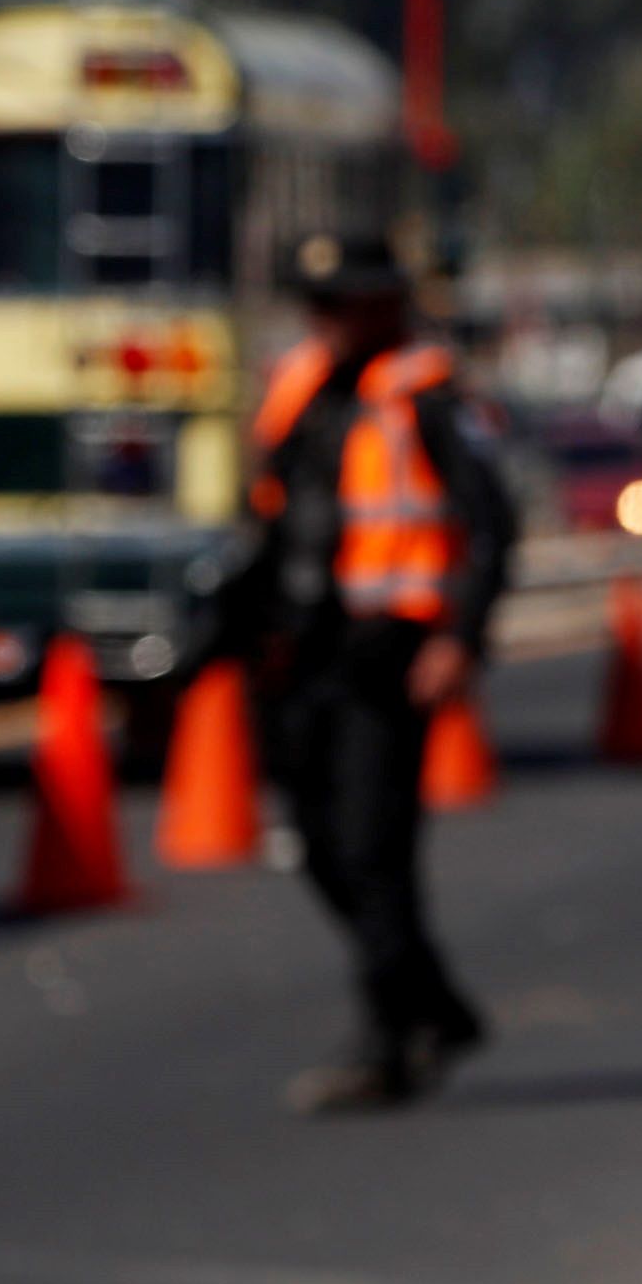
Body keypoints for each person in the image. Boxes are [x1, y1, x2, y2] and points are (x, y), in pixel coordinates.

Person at [230, 232, 509, 1113]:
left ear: (385, 303)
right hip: (303, 654)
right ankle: (436, 1005)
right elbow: (273, 522)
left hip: (390, 651)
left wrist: (459, 637)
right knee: (317, 846)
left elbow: (491, 523)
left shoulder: (425, 393)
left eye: (342, 302)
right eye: (317, 304)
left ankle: (387, 1042)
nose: (327, 321)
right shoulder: (299, 388)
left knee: (372, 848)